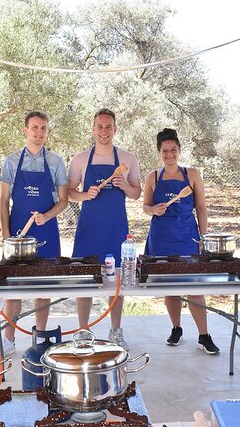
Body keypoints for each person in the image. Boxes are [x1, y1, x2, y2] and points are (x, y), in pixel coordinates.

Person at [68, 108, 142, 350]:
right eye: (99, 126)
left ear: (115, 129)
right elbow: (69, 192)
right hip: (88, 229)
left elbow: (137, 193)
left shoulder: (127, 159)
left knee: (117, 280)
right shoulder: (79, 159)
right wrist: (84, 194)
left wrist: (124, 186)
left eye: (108, 126)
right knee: (85, 279)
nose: (103, 131)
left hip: (116, 227)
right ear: (93, 128)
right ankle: (82, 331)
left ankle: (116, 330)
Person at [143, 128, 219, 355]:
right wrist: (153, 210)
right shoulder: (153, 177)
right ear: (159, 152)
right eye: (165, 150)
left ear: (179, 150)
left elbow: (202, 208)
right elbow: (145, 207)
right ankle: (176, 328)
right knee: (170, 288)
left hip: (187, 236)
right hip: (161, 238)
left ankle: (204, 336)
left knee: (194, 287)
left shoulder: (192, 175)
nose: (169, 154)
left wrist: (203, 238)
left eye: (173, 150)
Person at [0, 111, 69, 355]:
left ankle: (40, 336)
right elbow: (4, 200)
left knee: (43, 286)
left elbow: (64, 200)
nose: (39, 133)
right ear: (25, 130)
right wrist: (7, 237)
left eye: (44, 129)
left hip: (47, 232)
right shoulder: (11, 161)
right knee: (14, 289)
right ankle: (8, 338)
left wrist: (47, 216)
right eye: (35, 128)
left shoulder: (55, 162)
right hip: (17, 234)